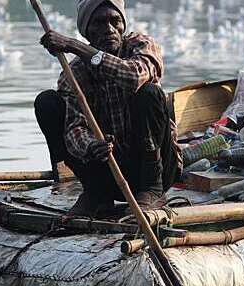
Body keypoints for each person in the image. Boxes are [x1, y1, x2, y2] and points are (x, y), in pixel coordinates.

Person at [34, 0, 181, 217]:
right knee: (47, 103)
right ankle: (96, 195)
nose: (109, 29)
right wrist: (91, 146)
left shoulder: (139, 45)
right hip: (108, 168)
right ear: (87, 31)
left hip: (153, 168)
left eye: (115, 21)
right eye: (100, 23)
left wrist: (75, 46)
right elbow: (74, 127)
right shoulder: (75, 72)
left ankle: (152, 191)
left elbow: (134, 76)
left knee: (149, 93)